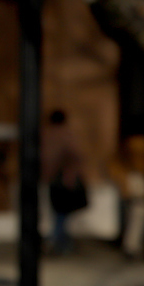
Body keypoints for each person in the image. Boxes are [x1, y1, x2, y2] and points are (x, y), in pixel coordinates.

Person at [43, 109, 87, 255]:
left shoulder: (47, 135)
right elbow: (76, 156)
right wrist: (71, 174)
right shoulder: (66, 135)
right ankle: (56, 239)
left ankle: (60, 240)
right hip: (64, 178)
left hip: (52, 178)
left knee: (58, 211)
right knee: (62, 212)